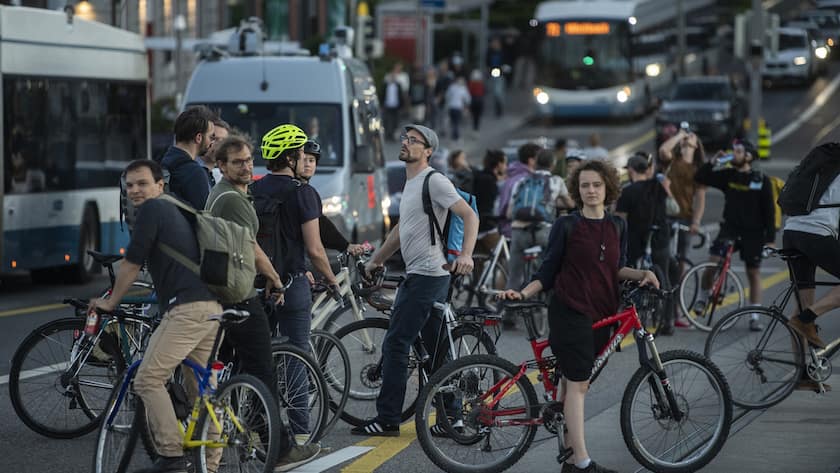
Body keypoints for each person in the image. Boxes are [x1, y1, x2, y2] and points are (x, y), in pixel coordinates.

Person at [500, 159, 658, 473]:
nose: (590, 191)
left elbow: (615, 268)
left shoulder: (618, 225)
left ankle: (570, 460)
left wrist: (643, 273)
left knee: (570, 385)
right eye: (584, 185)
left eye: (597, 185)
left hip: (602, 313)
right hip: (569, 310)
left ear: (608, 188)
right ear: (577, 190)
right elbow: (547, 270)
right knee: (578, 385)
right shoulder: (566, 225)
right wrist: (522, 293)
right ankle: (584, 462)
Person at [89, 159, 223, 473]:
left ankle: (172, 454)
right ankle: (210, 465)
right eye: (130, 185)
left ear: (159, 185)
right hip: (212, 308)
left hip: (187, 310)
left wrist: (111, 303)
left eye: (142, 183)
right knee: (204, 391)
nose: (134, 190)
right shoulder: (177, 207)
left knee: (147, 379)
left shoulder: (153, 210)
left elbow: (132, 263)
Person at [351, 124, 478, 436]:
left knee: (396, 343)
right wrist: (376, 260)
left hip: (428, 276)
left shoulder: (434, 181)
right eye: (404, 138)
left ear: (428, 151)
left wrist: (466, 254)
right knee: (436, 352)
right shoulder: (413, 184)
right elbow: (400, 231)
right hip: (423, 275)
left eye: (413, 141)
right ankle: (452, 420)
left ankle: (388, 419)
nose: (405, 143)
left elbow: (469, 215)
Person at [206, 135, 321, 470]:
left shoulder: (242, 193)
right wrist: (274, 277)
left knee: (235, 365)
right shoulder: (234, 199)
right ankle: (281, 447)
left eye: (248, 160)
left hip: (228, 287)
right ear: (222, 166)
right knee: (264, 368)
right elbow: (253, 247)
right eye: (237, 162)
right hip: (239, 291)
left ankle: (230, 436)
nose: (246, 166)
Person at [249, 124, 339, 440]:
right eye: (301, 152)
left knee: (259, 357)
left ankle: (258, 425)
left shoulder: (254, 189)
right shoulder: (304, 193)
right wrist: (332, 280)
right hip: (292, 283)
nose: (304, 157)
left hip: (258, 284)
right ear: (290, 157)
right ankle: (300, 434)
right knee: (296, 357)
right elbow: (314, 249)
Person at [693, 139, 776, 330]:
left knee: (753, 272)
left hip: (753, 232)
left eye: (738, 151)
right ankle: (702, 298)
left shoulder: (761, 180)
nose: (734, 153)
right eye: (734, 150)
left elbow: (769, 212)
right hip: (729, 228)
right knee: (713, 263)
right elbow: (700, 177)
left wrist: (770, 240)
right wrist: (713, 161)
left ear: (748, 156)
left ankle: (755, 316)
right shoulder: (729, 175)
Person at [783, 167, 840, 391]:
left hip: (792, 232)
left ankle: (802, 376)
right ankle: (806, 319)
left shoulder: (822, 171)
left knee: (803, 305)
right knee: (805, 316)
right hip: (816, 234)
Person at [615, 152, 680, 335]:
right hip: (660, 236)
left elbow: (620, 220)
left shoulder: (627, 191)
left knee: (625, 273)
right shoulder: (658, 186)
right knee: (664, 277)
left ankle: (625, 314)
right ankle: (668, 321)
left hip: (636, 240)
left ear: (631, 170)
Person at [506, 149, 574, 302]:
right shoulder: (556, 181)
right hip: (543, 230)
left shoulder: (521, 181)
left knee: (514, 275)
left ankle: (508, 314)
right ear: (553, 164)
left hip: (519, 230)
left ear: (535, 163)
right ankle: (548, 302)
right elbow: (570, 203)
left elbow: (510, 213)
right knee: (550, 267)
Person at [298, 139, 366, 257]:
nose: (308, 164)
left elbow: (321, 223)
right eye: (304, 160)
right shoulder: (303, 192)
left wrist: (345, 245)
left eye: (311, 160)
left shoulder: (305, 190)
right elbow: (320, 228)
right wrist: (330, 276)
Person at [160, 105, 217, 209]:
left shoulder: (163, 163)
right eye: (211, 137)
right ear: (199, 137)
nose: (212, 142)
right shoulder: (194, 173)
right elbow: (204, 219)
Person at [498, 143, 542, 238]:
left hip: (505, 226)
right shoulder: (526, 180)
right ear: (531, 161)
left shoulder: (512, 176)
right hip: (516, 229)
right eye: (540, 159)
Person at [199, 117, 230, 186]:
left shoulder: (223, 175)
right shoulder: (192, 170)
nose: (219, 145)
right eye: (215, 139)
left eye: (224, 141)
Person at [382, 64, 405, 142]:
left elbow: (401, 96)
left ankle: (393, 135)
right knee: (388, 120)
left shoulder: (398, 85)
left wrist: (402, 105)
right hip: (387, 104)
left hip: (396, 105)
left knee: (396, 121)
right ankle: (388, 134)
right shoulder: (386, 85)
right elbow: (382, 94)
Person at [444, 76, 471, 142]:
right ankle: (456, 136)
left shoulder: (452, 87)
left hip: (452, 107)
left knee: (454, 122)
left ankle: (454, 135)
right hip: (457, 108)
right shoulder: (462, 88)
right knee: (456, 122)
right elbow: (468, 99)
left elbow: (447, 96)